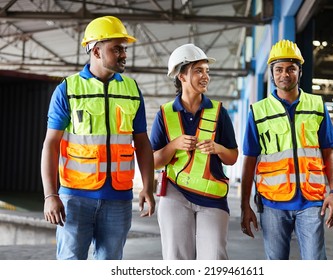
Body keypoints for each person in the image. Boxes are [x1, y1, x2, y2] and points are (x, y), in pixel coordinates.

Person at [40, 15, 155, 260]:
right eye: (117, 48)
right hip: (75, 197)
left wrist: (148, 186)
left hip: (119, 199)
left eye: (124, 48)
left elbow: (142, 143)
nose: (124, 54)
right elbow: (51, 145)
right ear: (96, 50)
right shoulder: (67, 91)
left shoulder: (132, 90)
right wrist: (51, 195)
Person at [240, 39, 333, 260]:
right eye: (279, 69)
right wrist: (244, 205)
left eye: (291, 69)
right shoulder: (258, 112)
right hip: (272, 204)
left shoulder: (317, 106)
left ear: (299, 71)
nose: (284, 74)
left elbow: (329, 151)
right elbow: (249, 160)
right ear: (272, 73)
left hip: (312, 203)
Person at [150, 43, 238, 260]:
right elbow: (153, 161)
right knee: (176, 258)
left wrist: (218, 148)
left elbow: (233, 157)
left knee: (214, 259)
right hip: (175, 193)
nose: (205, 76)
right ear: (181, 76)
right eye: (198, 70)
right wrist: (174, 145)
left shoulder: (219, 112)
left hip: (213, 195)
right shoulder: (165, 114)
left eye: (207, 71)